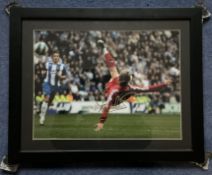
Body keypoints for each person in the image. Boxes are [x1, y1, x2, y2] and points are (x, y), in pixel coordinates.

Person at [95, 40, 172, 131]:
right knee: (113, 70)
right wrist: (164, 84)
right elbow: (149, 88)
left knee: (113, 69)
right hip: (117, 95)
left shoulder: (115, 85)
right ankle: (104, 48)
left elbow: (106, 107)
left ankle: (104, 48)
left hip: (112, 94)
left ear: (120, 79)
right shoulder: (130, 87)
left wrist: (101, 122)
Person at [39, 51, 66, 125]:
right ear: (52, 57)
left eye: (57, 56)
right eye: (54, 56)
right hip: (47, 83)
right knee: (46, 98)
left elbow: (65, 76)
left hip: (56, 86)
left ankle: (42, 112)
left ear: (59, 57)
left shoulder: (62, 66)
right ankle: (42, 117)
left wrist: (61, 77)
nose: (56, 57)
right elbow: (42, 69)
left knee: (49, 102)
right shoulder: (48, 64)